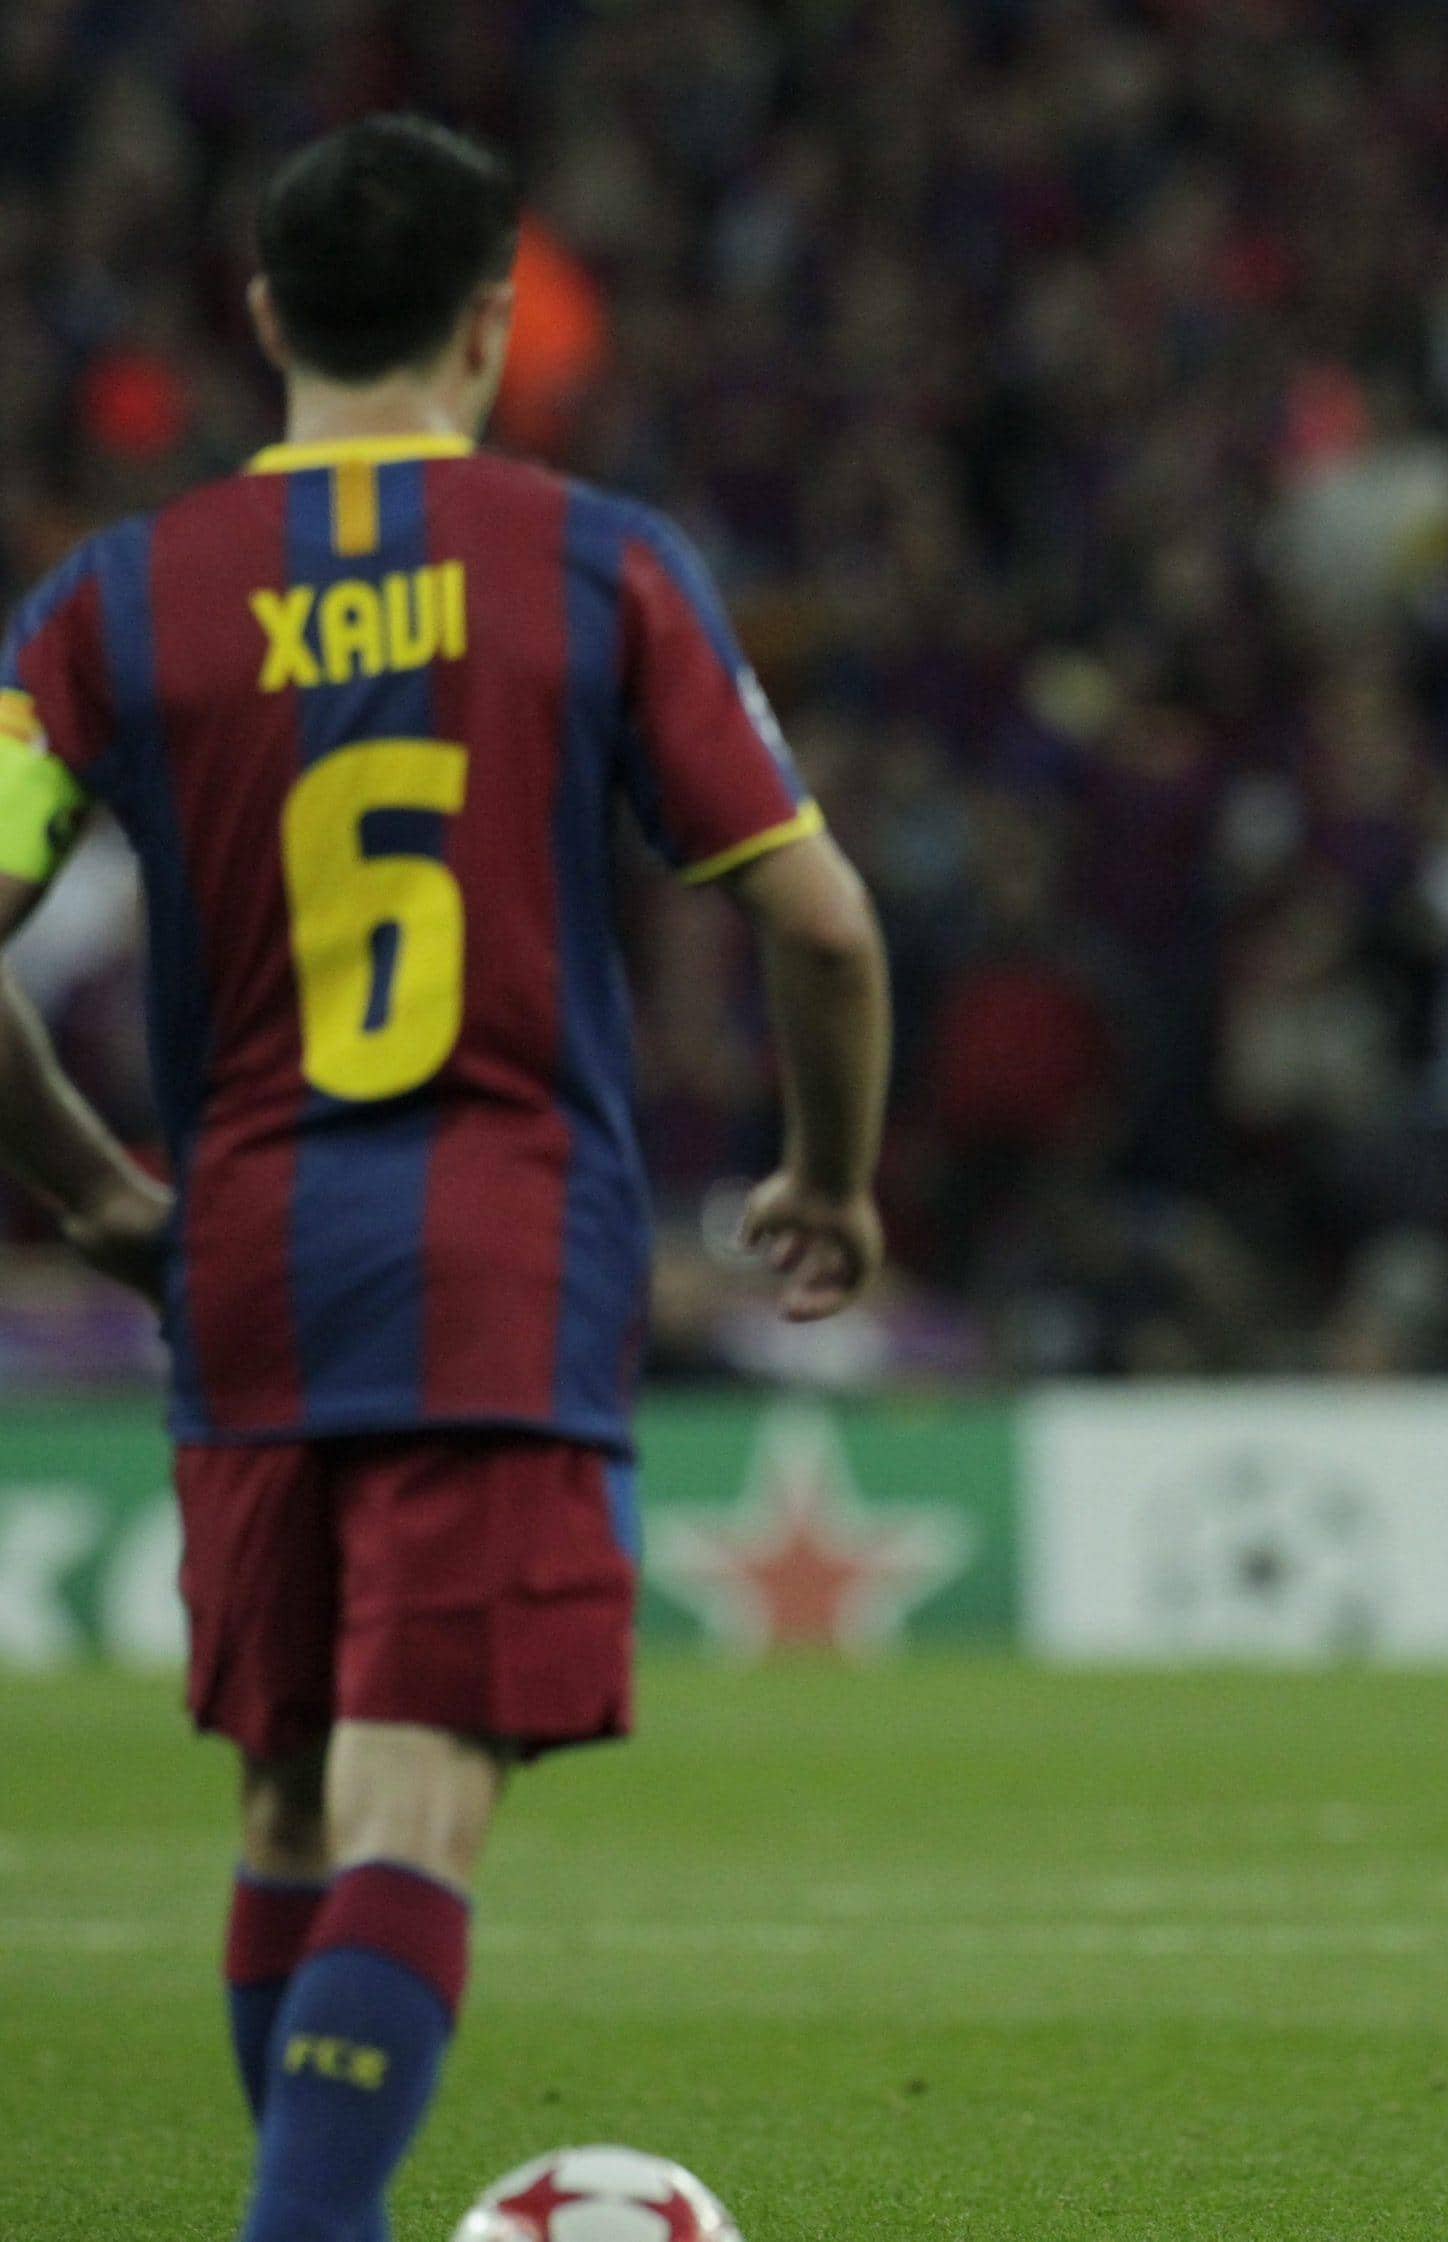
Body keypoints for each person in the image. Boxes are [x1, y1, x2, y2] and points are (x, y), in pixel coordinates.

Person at [0, 115, 889, 2241]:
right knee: (421, 1786)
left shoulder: (111, 601)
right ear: (497, 320)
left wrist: (95, 1187)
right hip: (495, 1247)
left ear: (265, 318)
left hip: (241, 1250)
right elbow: (827, 922)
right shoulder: (601, 562)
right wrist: (833, 1179)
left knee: (290, 1786)